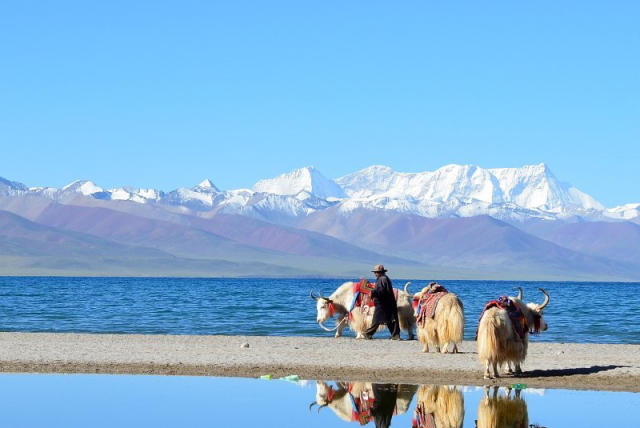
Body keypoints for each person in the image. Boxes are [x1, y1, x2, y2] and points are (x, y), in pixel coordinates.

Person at [364, 264, 400, 340]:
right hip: (388, 303)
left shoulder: (382, 279)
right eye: (375, 272)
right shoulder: (384, 278)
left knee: (376, 320)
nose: (375, 274)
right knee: (390, 320)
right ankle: (395, 335)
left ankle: (368, 334)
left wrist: (371, 291)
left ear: (380, 272)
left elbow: (381, 291)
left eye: (376, 272)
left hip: (382, 303)